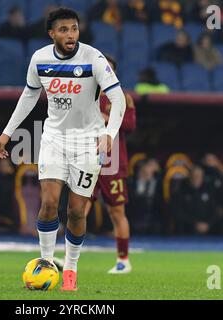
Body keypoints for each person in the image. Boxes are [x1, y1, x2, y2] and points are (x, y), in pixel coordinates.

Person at [0, 8, 126, 291]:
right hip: (53, 138)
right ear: (52, 33)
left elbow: (119, 99)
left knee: (77, 212)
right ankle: (46, 262)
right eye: (64, 30)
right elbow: (29, 96)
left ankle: (71, 270)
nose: (70, 35)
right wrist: (7, 132)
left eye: (74, 29)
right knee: (49, 203)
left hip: (88, 142)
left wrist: (109, 135)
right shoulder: (39, 59)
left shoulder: (93, 57)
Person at [54, 55, 136, 274]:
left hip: (113, 163)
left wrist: (105, 117)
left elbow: (129, 124)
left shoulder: (122, 97)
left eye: (109, 69)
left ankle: (123, 260)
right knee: (78, 210)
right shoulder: (83, 95)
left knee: (117, 212)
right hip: (87, 161)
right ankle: (68, 259)